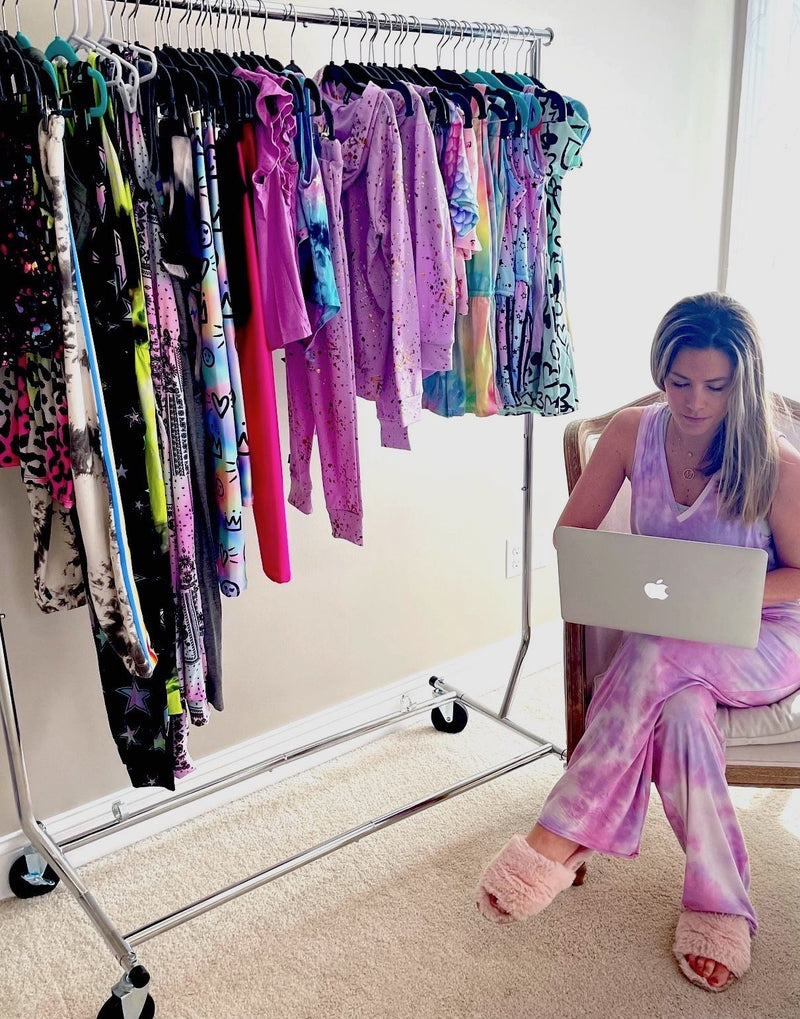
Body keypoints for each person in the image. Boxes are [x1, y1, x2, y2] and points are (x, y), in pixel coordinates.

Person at [475, 292, 800, 992]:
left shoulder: (775, 461)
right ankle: (721, 909)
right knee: (681, 715)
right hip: (677, 638)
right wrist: (633, 580)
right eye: (679, 381)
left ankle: (559, 836)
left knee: (652, 654)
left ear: (741, 382)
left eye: (715, 385)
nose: (694, 400)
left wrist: (724, 587)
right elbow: (572, 537)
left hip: (766, 638)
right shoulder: (630, 433)